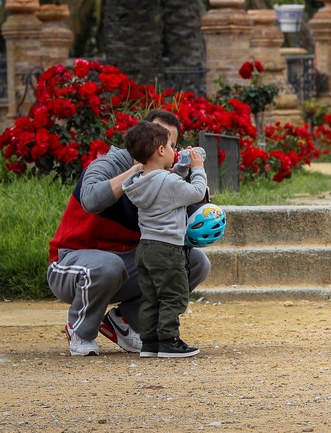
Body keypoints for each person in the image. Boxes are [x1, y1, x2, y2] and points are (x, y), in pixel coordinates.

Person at [47, 110, 211, 356]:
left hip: (129, 261)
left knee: (193, 262)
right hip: (72, 262)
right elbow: (90, 199)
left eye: (171, 144)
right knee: (108, 265)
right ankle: (80, 329)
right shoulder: (108, 163)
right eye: (158, 141)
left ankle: (126, 322)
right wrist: (136, 172)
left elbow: (189, 215)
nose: (163, 150)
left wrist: (188, 176)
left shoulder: (166, 175)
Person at [122, 121, 208, 358]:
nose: (174, 150)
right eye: (171, 146)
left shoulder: (140, 181)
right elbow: (195, 193)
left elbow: (167, 186)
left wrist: (180, 168)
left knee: (150, 296)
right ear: (160, 150)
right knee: (174, 294)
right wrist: (198, 168)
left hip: (146, 248)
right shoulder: (167, 182)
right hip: (168, 248)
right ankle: (169, 340)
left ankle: (149, 342)